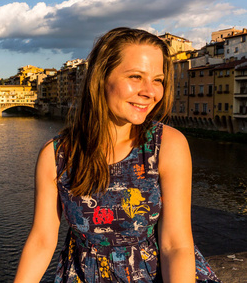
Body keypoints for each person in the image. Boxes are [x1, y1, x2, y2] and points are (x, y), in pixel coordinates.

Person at [14, 27, 220, 282]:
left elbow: (176, 245)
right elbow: (42, 240)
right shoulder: (57, 155)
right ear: (101, 78)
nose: (151, 91)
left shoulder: (167, 145)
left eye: (158, 80)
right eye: (136, 76)